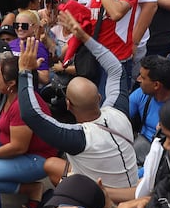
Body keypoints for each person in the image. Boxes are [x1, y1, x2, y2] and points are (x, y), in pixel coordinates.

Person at [18, 14, 138, 190]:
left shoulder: (80, 138)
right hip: (133, 192)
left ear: (68, 105)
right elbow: (115, 68)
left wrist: (25, 71)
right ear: (99, 98)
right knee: (52, 165)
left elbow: (31, 115)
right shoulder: (119, 113)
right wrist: (84, 37)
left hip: (107, 203)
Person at [0, 56, 56, 208]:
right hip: (8, 144)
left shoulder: (22, 105)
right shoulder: (5, 92)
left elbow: (19, 147)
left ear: (11, 83)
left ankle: (32, 189)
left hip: (36, 157)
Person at [128, 55, 170, 165]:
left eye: (143, 77)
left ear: (156, 85)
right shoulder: (141, 94)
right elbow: (121, 117)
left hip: (162, 156)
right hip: (139, 148)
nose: (138, 79)